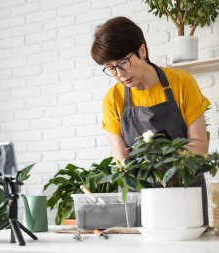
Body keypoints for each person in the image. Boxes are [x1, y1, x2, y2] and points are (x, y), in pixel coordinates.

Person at [90, 16, 210, 224]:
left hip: (185, 191)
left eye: (123, 63)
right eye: (110, 68)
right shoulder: (113, 99)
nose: (119, 74)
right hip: (141, 196)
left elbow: (199, 146)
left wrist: (157, 163)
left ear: (142, 51)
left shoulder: (182, 83)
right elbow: (122, 157)